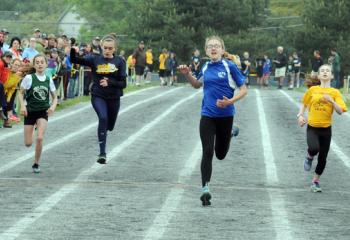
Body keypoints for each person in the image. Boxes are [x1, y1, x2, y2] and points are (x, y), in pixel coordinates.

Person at [178, 35, 247, 206]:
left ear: (222, 50)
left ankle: (230, 133)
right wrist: (187, 75)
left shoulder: (229, 66)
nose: (213, 48)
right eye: (210, 46)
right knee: (207, 151)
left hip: (226, 116)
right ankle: (205, 189)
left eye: (216, 46)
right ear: (206, 51)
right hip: (207, 115)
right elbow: (197, 84)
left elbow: (244, 90)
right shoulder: (206, 66)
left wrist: (230, 101)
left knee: (220, 154)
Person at [70, 35, 126, 164]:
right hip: (98, 95)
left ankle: (104, 131)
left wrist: (110, 82)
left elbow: (123, 84)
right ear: (101, 47)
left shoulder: (120, 61)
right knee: (103, 118)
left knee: (109, 126)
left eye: (110, 48)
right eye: (105, 48)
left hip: (114, 97)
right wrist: (73, 50)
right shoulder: (94, 59)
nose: (107, 50)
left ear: (114, 49)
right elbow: (74, 60)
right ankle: (102, 153)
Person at [297, 64, 347, 192]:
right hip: (313, 127)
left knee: (323, 157)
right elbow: (304, 103)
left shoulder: (335, 92)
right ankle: (309, 155)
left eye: (327, 71)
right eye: (322, 71)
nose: (325, 72)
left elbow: (340, 111)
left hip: (326, 129)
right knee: (314, 148)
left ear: (331, 76)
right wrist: (301, 115)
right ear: (319, 76)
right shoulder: (312, 90)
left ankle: (315, 181)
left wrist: (332, 101)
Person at [17, 54, 58, 173]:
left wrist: (53, 107)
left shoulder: (48, 79)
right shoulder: (29, 78)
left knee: (40, 138)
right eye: (37, 62)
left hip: (43, 112)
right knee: (28, 143)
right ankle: (34, 128)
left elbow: (55, 97)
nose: (40, 64)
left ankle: (36, 163)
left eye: (42, 62)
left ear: (46, 65)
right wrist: (23, 106)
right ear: (34, 65)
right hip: (30, 112)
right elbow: (20, 93)